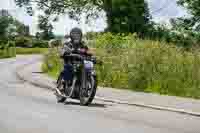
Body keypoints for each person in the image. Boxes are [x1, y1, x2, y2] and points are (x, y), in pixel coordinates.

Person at [57, 27, 91, 97]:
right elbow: (63, 51)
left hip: (80, 64)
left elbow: (88, 52)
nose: (76, 36)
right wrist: (65, 52)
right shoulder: (68, 43)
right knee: (68, 67)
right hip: (70, 63)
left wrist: (91, 56)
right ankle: (63, 86)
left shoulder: (83, 45)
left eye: (78, 35)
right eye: (75, 34)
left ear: (81, 36)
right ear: (71, 35)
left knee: (87, 69)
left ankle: (84, 87)